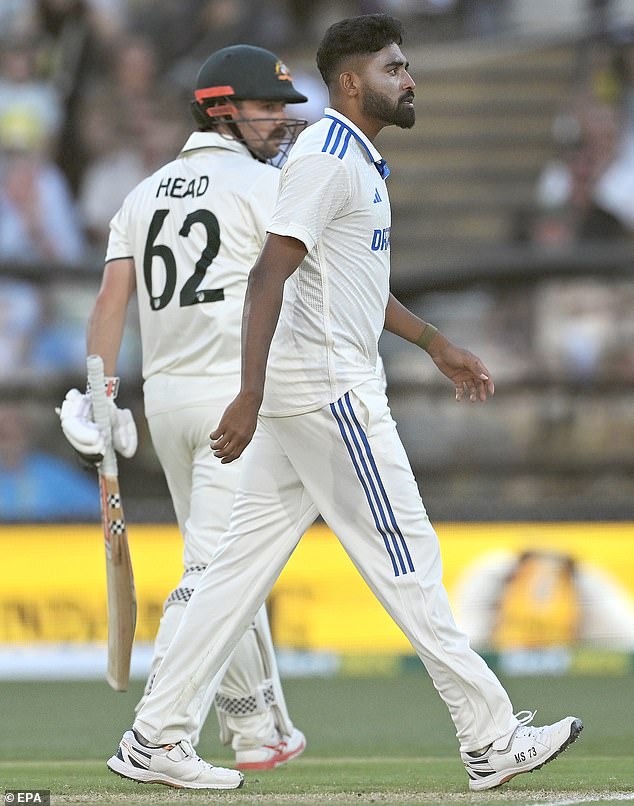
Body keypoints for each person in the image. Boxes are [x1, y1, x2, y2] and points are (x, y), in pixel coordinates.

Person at [106, 14, 583, 792]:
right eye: (396, 68)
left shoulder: (343, 157)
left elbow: (349, 280)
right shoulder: (330, 159)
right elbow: (269, 274)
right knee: (407, 561)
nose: (411, 79)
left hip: (308, 389)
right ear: (354, 83)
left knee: (231, 571)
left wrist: (432, 341)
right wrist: (250, 392)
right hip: (328, 392)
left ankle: (155, 737)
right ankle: (492, 738)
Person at [58, 44, 310, 781]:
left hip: (167, 399)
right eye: (268, 107)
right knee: (217, 567)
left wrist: (100, 399)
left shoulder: (143, 194)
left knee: (223, 557)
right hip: (237, 397)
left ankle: (256, 726)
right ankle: (157, 734)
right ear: (223, 109)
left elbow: (111, 304)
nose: (280, 121)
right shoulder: (265, 189)